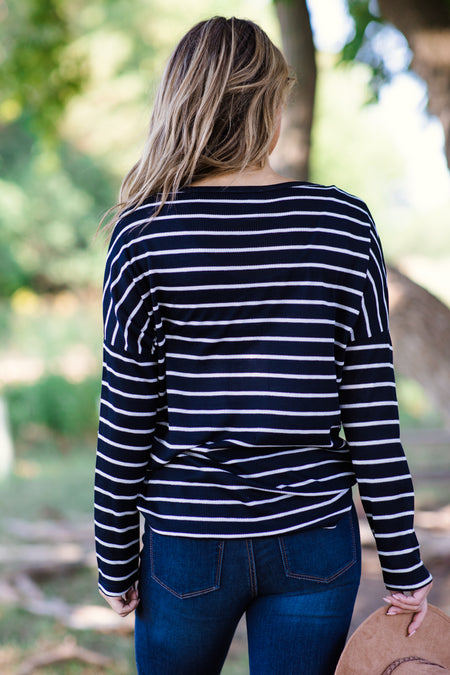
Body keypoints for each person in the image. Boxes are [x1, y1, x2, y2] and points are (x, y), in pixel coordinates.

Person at [94, 16, 433, 675]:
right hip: (315, 541)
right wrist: (403, 564)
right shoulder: (343, 222)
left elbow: (125, 416)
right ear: (270, 104)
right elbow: (372, 415)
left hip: (188, 541)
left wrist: (114, 555)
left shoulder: (142, 234)